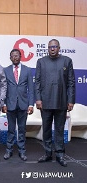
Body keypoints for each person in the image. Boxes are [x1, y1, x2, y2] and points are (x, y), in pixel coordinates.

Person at [35, 39, 75, 167]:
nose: (52, 49)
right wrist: (38, 99)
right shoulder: (41, 62)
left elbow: (71, 83)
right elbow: (37, 82)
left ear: (59, 48)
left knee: (59, 129)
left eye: (55, 46)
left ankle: (60, 154)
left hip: (62, 101)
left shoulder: (67, 61)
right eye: (50, 47)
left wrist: (71, 100)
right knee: (46, 129)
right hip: (45, 102)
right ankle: (47, 153)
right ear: (48, 48)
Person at [2, 49, 34, 161]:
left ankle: (22, 151)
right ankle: (8, 150)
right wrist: (4, 103)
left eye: (17, 55)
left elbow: (31, 89)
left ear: (21, 56)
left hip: (23, 105)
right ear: (10, 58)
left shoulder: (27, 70)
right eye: (13, 56)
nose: (15, 57)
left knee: (22, 129)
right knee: (10, 129)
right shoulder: (5, 70)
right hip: (10, 104)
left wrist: (31, 104)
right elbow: (3, 89)